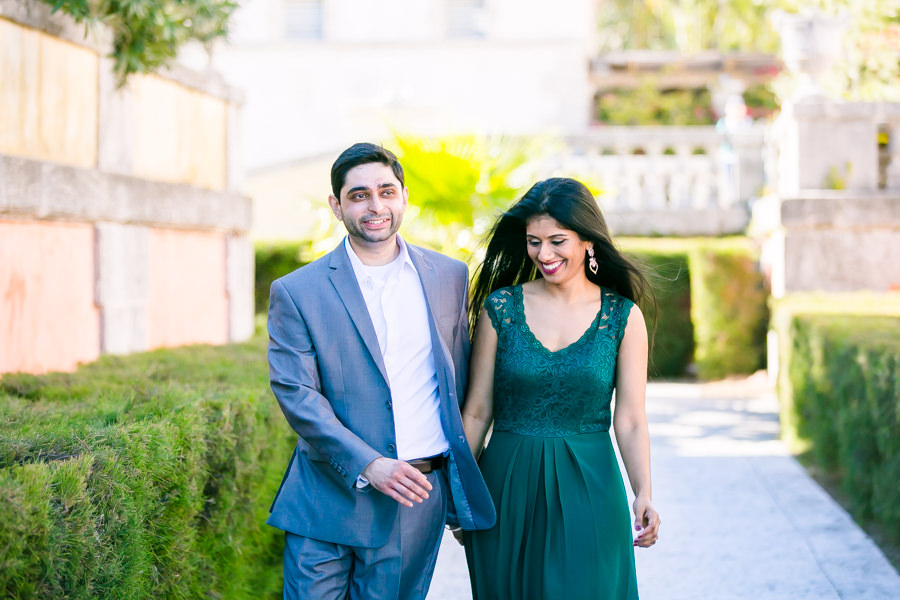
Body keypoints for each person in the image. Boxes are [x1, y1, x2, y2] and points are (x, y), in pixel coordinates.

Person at [266, 142, 495, 600]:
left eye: (386, 192)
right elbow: (297, 394)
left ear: (404, 197)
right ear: (337, 205)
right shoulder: (297, 291)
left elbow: (463, 384)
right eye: (359, 195)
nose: (376, 206)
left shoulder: (449, 276)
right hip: (326, 498)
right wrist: (370, 463)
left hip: (414, 498)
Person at [460, 177, 660, 599]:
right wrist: (458, 492)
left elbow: (630, 418)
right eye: (534, 242)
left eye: (557, 241)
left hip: (591, 486)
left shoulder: (622, 318)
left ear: (588, 242)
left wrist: (643, 490)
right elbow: (477, 411)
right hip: (505, 488)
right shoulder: (501, 308)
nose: (543, 254)